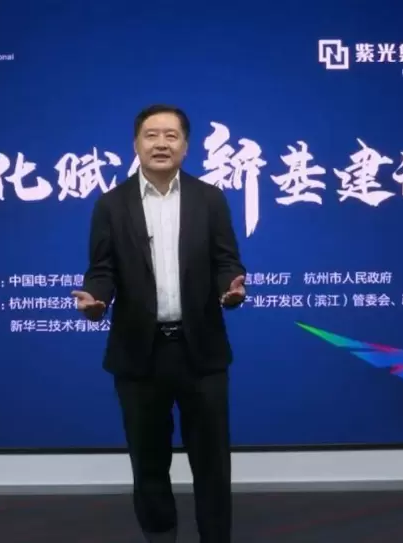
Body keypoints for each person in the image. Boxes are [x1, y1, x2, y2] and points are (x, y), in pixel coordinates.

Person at [72, 104, 246, 542]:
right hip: (139, 354)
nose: (161, 143)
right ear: (136, 144)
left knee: (212, 461)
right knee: (148, 461)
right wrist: (96, 299)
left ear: (186, 146)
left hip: (200, 351)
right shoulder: (112, 204)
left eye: (171, 135)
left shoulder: (210, 199)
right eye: (152, 135)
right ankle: (161, 537)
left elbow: (227, 261)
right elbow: (102, 269)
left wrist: (230, 289)